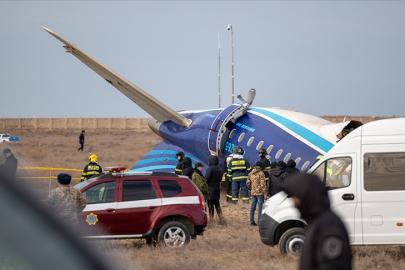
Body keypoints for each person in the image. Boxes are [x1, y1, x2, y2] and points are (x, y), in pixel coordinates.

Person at [281, 174, 352, 270]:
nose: (295, 203)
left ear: (306, 195)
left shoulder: (329, 227)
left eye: (295, 198)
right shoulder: (317, 223)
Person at [205, 155, 226, 225]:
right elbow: (220, 179)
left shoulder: (210, 169)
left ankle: (211, 219)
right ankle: (221, 218)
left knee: (210, 205)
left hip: (210, 189)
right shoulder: (220, 169)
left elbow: (207, 179)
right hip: (217, 189)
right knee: (217, 204)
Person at [246, 161, 267, 226]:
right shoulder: (261, 173)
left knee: (253, 206)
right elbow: (263, 185)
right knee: (260, 207)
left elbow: (248, 183)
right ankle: (259, 221)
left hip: (253, 192)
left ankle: (252, 221)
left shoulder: (251, 173)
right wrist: (265, 193)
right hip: (260, 193)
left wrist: (251, 188)